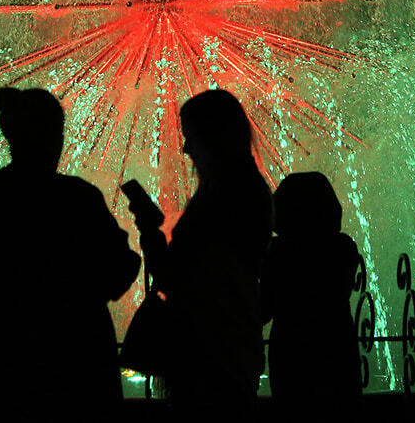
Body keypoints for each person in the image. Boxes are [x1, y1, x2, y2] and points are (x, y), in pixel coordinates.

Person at [0, 87, 141, 415]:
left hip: (8, 372)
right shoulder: (78, 199)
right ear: (53, 135)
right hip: (82, 371)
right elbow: (117, 274)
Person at [129, 89, 273, 416]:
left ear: (215, 137)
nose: (186, 148)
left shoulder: (226, 197)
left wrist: (151, 233)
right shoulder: (243, 191)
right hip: (225, 348)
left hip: (211, 354)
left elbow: (178, 277)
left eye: (192, 137)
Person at [260, 171, 362, 414]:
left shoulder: (279, 253)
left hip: (292, 354)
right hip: (338, 346)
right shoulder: (342, 248)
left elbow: (263, 308)